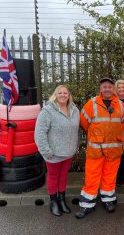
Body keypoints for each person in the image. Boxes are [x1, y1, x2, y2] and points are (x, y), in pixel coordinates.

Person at [76, 78, 124, 219]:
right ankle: (87, 205)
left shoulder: (121, 106)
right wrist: (96, 135)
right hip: (96, 149)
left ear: (114, 89)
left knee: (110, 176)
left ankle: (108, 200)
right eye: (104, 87)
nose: (107, 89)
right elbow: (84, 122)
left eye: (110, 87)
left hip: (114, 149)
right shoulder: (91, 103)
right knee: (92, 176)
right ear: (101, 89)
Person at [34, 85, 80, 217]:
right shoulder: (47, 111)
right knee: (53, 176)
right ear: (55, 95)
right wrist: (46, 151)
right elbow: (39, 133)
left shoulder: (75, 110)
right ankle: (53, 201)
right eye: (60, 92)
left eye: (65, 93)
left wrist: (75, 146)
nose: (63, 95)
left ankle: (61, 199)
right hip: (53, 153)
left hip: (68, 152)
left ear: (69, 95)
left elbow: (76, 130)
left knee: (64, 175)